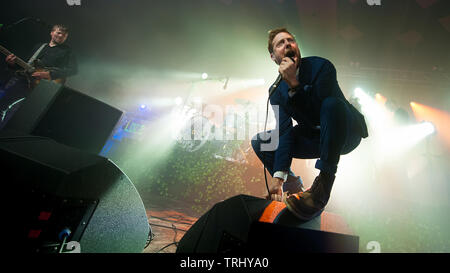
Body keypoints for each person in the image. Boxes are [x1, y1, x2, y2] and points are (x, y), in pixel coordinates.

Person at [251, 27, 368, 221]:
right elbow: (285, 131)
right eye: (280, 43)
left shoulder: (321, 66)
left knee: (331, 104)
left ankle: (322, 188)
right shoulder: (276, 92)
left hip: (344, 133)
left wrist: (294, 84)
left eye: (290, 40)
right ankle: (295, 189)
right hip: (316, 138)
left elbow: (319, 112)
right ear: (273, 57)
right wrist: (278, 177)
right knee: (261, 141)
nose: (287, 44)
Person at [0, 24, 77, 129]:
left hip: (42, 87)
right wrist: (11, 64)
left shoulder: (67, 52)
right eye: (59, 33)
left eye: (64, 35)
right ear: (51, 33)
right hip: (24, 81)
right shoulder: (39, 46)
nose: (60, 36)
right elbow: (25, 66)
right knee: (2, 105)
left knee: (21, 114)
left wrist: (49, 74)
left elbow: (73, 70)